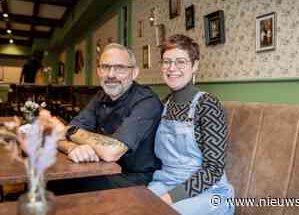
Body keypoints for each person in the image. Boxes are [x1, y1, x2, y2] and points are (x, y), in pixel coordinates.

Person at [49, 43, 162, 194]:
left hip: (136, 179)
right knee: (54, 181)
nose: (111, 74)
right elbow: (59, 137)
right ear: (98, 71)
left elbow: (111, 151)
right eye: (105, 67)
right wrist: (73, 148)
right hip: (104, 169)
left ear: (134, 73)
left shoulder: (146, 102)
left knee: (69, 185)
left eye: (120, 68)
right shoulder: (101, 96)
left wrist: (72, 131)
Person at [148, 34, 234, 215]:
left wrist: (167, 199)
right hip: (164, 183)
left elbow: (213, 170)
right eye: (166, 62)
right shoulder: (164, 105)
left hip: (209, 192)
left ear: (195, 66)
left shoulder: (208, 105)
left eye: (180, 62)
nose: (172, 68)